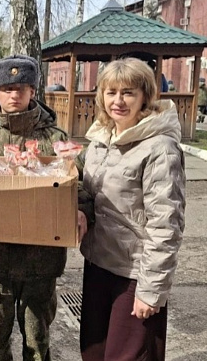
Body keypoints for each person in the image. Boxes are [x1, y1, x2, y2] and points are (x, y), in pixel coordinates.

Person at [0, 55, 91, 360]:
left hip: (40, 262)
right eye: (6, 88)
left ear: (33, 91)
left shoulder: (54, 140)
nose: (14, 94)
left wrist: (83, 209)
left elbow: (79, 184)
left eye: (22, 87)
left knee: (37, 344)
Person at [78, 58, 185, 361]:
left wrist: (151, 290)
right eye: (111, 92)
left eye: (128, 93)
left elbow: (166, 224)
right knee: (93, 352)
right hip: (98, 264)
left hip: (134, 274)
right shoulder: (100, 139)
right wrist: (80, 209)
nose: (118, 101)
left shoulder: (159, 148)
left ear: (145, 96)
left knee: (126, 356)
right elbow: (86, 190)